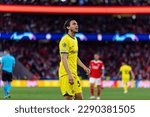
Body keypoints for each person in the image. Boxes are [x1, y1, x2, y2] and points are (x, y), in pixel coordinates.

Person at [59, 19, 90, 100]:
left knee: (79, 98)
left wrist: (84, 67)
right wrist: (69, 74)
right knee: (68, 100)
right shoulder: (65, 40)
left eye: (77, 24)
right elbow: (64, 58)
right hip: (66, 74)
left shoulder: (75, 39)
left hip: (74, 74)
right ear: (68, 27)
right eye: (74, 24)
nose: (77, 25)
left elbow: (74, 56)